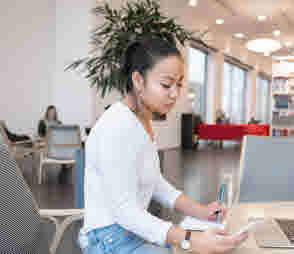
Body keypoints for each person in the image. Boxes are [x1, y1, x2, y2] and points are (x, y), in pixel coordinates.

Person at [78, 38, 248, 254]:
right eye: (166, 85)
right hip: (107, 240)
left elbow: (155, 182)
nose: (175, 93)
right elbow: (125, 211)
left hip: (130, 232)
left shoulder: (142, 121)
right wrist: (189, 239)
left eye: (179, 84)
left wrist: (201, 211)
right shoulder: (117, 126)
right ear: (138, 81)